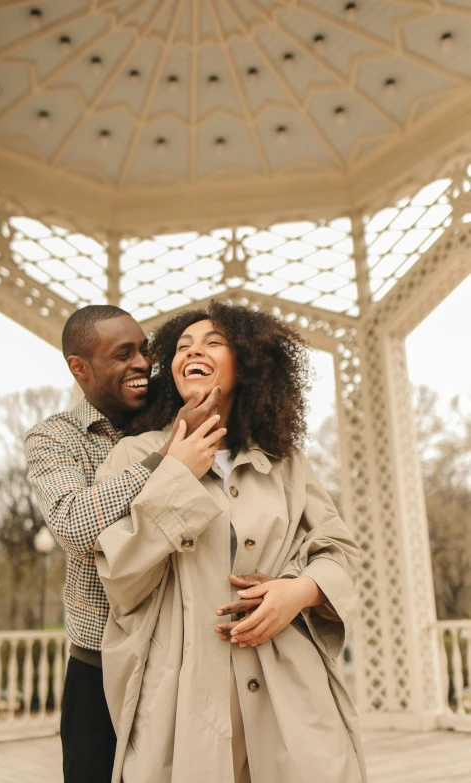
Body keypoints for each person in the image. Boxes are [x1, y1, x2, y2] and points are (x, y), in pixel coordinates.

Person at [94, 300, 367, 783]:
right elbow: (120, 575)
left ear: (248, 365)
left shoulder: (285, 462)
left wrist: (296, 593)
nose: (192, 351)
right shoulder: (133, 456)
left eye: (213, 342)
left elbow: (339, 551)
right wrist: (177, 470)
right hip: (183, 699)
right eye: (182, 346)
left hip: (290, 692)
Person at [25, 304, 225, 783]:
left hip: (183, 660)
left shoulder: (173, 409)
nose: (142, 364)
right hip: (98, 666)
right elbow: (73, 525)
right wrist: (165, 461)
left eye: (144, 350)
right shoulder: (54, 437)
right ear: (80, 368)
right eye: (122, 354)